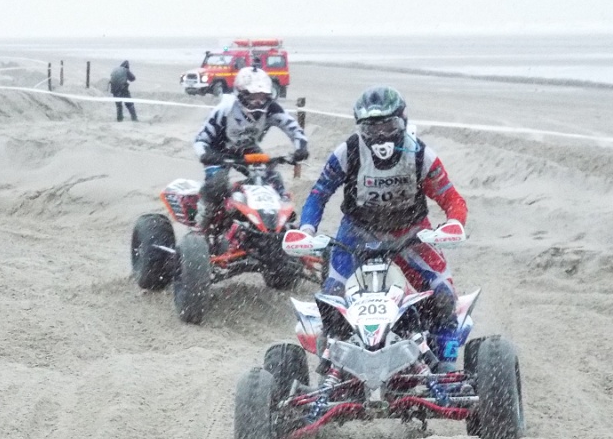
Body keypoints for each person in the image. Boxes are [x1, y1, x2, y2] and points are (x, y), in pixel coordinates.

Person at [298, 86, 468, 371]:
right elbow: (319, 193)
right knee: (333, 300)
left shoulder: (421, 155)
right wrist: (306, 229)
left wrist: (453, 224)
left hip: (411, 235)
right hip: (356, 235)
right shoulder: (348, 152)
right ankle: (331, 366)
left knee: (443, 296)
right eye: (371, 128)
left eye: (388, 126)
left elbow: (452, 199)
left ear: (402, 121)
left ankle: (445, 365)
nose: (381, 136)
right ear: (360, 128)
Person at [192, 66, 308, 232]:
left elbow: (294, 129)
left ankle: (281, 220)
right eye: (254, 96)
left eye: (262, 96)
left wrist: (301, 148)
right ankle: (202, 224)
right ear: (241, 93)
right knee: (217, 185)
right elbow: (200, 139)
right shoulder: (226, 108)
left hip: (247, 149)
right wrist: (205, 154)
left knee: (273, 178)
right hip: (217, 151)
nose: (258, 102)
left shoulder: (271, 109)